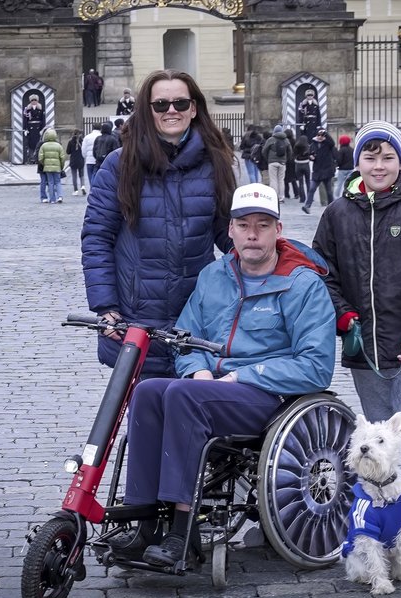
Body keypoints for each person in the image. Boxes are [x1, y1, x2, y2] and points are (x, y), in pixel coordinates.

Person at [108, 183, 336, 565]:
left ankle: (183, 534)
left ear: (278, 230)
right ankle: (143, 522)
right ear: (229, 229)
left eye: (263, 225)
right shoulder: (214, 276)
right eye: (243, 224)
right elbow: (186, 338)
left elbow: (315, 366)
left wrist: (242, 377)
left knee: (182, 396)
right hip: (210, 388)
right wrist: (196, 370)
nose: (252, 234)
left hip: (269, 396)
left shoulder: (302, 284)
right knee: (148, 391)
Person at [312, 120, 401, 566]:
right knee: (374, 448)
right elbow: (323, 276)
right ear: (357, 162)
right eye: (370, 157)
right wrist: (344, 314)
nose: (379, 165)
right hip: (364, 353)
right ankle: (376, 525)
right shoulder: (337, 214)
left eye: (387, 157)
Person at [81, 68, 235, 379]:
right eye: (161, 104)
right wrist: (105, 306)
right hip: (136, 316)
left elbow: (232, 236)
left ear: (194, 109)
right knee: (144, 418)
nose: (171, 111)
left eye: (180, 103)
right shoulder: (119, 165)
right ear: (147, 110)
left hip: (198, 312)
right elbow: (97, 237)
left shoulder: (216, 163)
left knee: (195, 418)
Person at [302, 127, 336, 213]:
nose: (320, 137)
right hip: (317, 171)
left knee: (329, 191)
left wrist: (326, 134)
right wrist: (311, 157)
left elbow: (332, 143)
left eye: (322, 135)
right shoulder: (313, 144)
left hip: (327, 170)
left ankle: (331, 207)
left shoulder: (328, 143)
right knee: (312, 188)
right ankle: (307, 206)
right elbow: (310, 154)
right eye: (319, 135)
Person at [261, 124, 291, 204]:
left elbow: (264, 151)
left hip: (272, 162)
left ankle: (274, 197)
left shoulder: (271, 139)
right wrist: (285, 159)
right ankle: (281, 198)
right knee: (281, 180)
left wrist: (268, 159)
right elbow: (290, 151)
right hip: (282, 163)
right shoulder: (286, 140)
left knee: (273, 180)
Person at [38, 128, 65, 203]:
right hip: (57, 167)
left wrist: (45, 164)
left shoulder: (43, 146)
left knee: (50, 183)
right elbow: (62, 157)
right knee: (58, 182)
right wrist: (61, 166)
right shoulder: (58, 146)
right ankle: (60, 196)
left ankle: (52, 199)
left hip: (47, 168)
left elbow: (40, 158)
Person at [22, 94, 45, 165]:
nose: (34, 101)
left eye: (35, 100)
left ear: (37, 101)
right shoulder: (27, 109)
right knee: (30, 144)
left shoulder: (41, 109)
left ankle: (37, 158)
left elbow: (43, 119)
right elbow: (25, 119)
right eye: (32, 100)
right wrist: (25, 128)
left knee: (38, 144)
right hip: (30, 129)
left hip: (38, 129)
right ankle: (31, 158)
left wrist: (42, 129)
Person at [65, 129, 87, 196]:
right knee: (81, 175)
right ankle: (82, 186)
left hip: (73, 160)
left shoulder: (70, 142)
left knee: (74, 176)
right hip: (81, 159)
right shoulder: (82, 141)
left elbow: (68, 152)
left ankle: (75, 190)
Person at [292, 134, 312, 202]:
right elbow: (310, 155)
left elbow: (293, 155)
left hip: (298, 164)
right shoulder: (307, 146)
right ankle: (310, 197)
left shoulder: (296, 146)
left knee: (301, 183)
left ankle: (302, 198)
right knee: (308, 181)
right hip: (306, 163)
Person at [81, 124, 101, 188]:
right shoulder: (100, 136)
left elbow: (83, 149)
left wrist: (85, 157)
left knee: (90, 177)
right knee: (98, 177)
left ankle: (92, 189)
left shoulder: (87, 137)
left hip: (89, 160)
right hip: (99, 159)